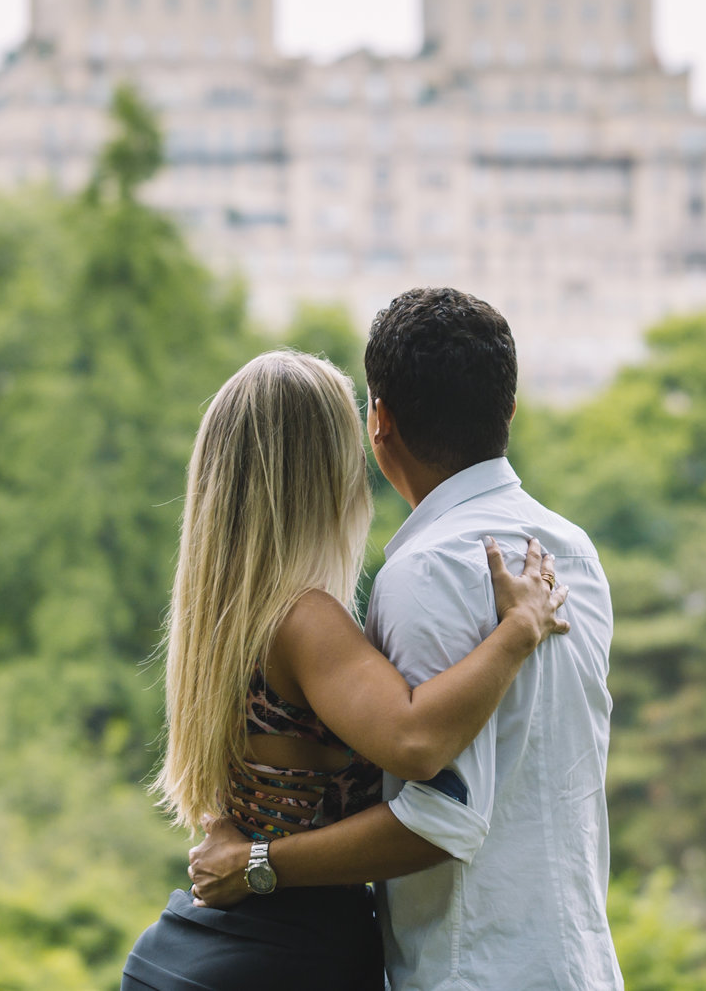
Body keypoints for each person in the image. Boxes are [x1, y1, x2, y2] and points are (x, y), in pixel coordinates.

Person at [188, 288, 622, 991]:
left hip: (474, 972)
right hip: (581, 963)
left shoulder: (424, 568)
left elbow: (442, 812)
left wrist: (258, 863)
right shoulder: (571, 550)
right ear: (508, 409)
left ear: (379, 420)